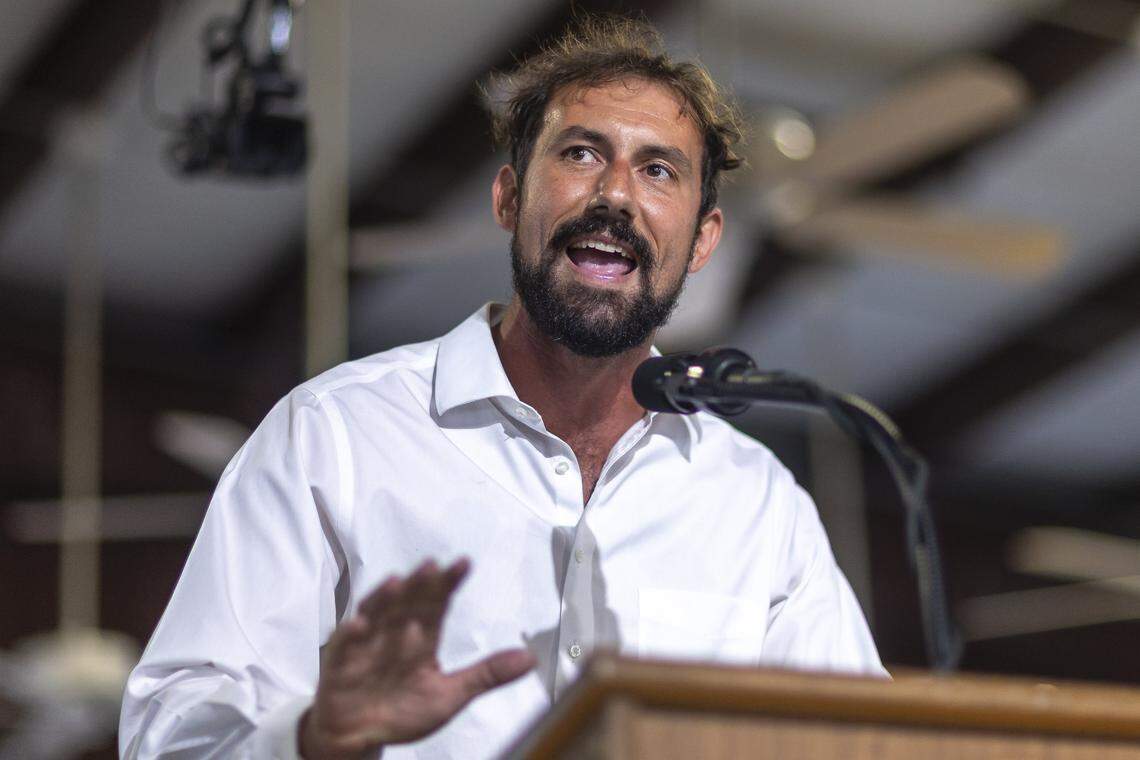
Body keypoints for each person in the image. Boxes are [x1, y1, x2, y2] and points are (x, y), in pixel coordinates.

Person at [120, 15, 885, 760]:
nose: (616, 195)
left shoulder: (757, 503)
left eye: (658, 170)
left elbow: (861, 740)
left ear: (703, 238)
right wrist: (318, 739)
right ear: (509, 199)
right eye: (581, 154)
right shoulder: (336, 433)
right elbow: (172, 736)